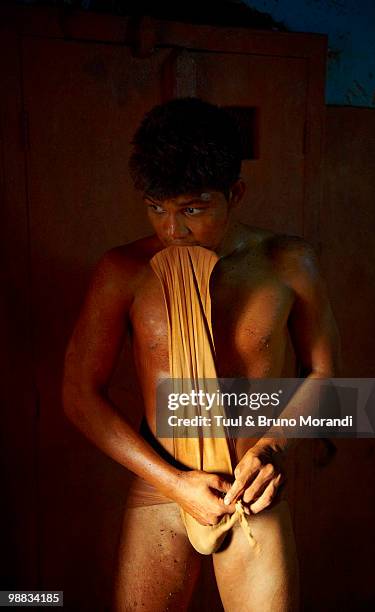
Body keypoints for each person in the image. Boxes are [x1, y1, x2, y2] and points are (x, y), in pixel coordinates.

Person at [62, 98, 340, 611]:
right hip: (161, 482)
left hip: (252, 487)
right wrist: (173, 482)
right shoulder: (123, 270)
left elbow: (324, 371)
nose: (173, 230)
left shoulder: (288, 262)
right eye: (157, 208)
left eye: (193, 209)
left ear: (235, 193)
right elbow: (79, 395)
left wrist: (276, 444)